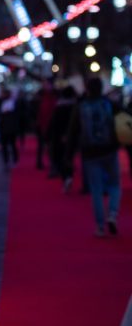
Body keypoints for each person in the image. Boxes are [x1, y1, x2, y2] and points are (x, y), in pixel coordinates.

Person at [67, 77, 121, 236]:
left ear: (87, 88)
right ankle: (112, 214)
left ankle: (100, 226)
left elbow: (72, 132)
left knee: (96, 189)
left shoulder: (81, 106)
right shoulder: (109, 104)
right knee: (115, 185)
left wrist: (69, 155)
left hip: (90, 153)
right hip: (110, 150)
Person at [50, 85, 77, 187]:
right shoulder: (75, 106)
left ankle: (66, 176)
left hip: (59, 136)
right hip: (71, 136)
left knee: (61, 157)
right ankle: (68, 175)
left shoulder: (59, 107)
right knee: (69, 156)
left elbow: (54, 123)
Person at [36, 79, 58, 172]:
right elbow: (37, 110)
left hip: (52, 125)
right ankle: (39, 162)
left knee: (51, 146)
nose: (45, 86)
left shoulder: (55, 96)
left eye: (47, 84)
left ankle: (53, 164)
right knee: (41, 145)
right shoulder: (40, 96)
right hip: (41, 124)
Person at [0, 89, 20, 168]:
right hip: (3, 128)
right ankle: (6, 161)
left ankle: (14, 160)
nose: (1, 95)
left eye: (2, 94)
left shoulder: (13, 102)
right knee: (5, 145)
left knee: (12, 145)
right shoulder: (0, 102)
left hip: (10, 128)